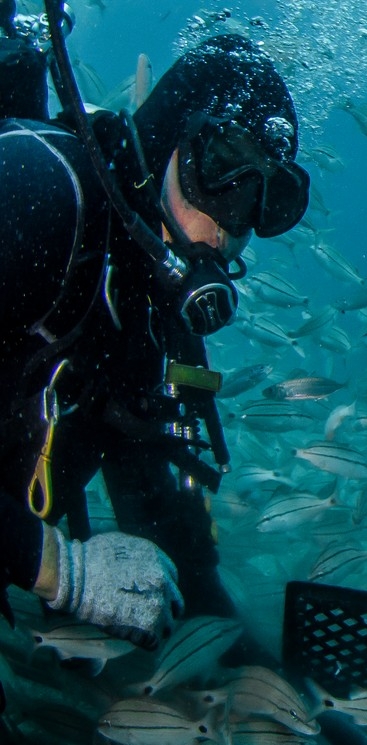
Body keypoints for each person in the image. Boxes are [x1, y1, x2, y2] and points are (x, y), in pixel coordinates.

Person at [0, 2, 309, 670]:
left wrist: (289, 698)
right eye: (219, 168)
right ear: (166, 137)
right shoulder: (38, 196)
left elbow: (166, 534)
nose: (229, 222)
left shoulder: (144, 309)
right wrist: (54, 565)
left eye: (265, 197)